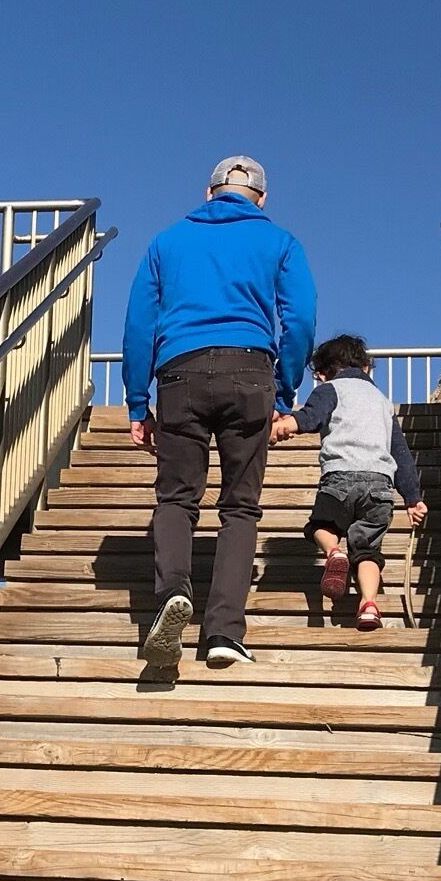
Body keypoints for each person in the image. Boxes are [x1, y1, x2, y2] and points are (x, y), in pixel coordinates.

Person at [121, 155, 316, 669]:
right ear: (262, 199)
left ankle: (171, 596)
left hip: (179, 374)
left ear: (209, 193)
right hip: (250, 370)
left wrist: (138, 402)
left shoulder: (166, 241)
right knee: (239, 506)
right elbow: (300, 320)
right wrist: (284, 392)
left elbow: (139, 323)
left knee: (177, 498)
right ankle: (224, 632)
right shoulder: (280, 242)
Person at [273, 333, 429, 629]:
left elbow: (309, 418)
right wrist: (412, 498)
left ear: (322, 373)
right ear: (367, 367)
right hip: (380, 484)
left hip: (340, 477)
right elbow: (400, 452)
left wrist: (283, 425)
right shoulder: (382, 402)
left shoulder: (330, 389)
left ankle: (334, 552)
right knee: (369, 550)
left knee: (321, 526)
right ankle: (369, 605)